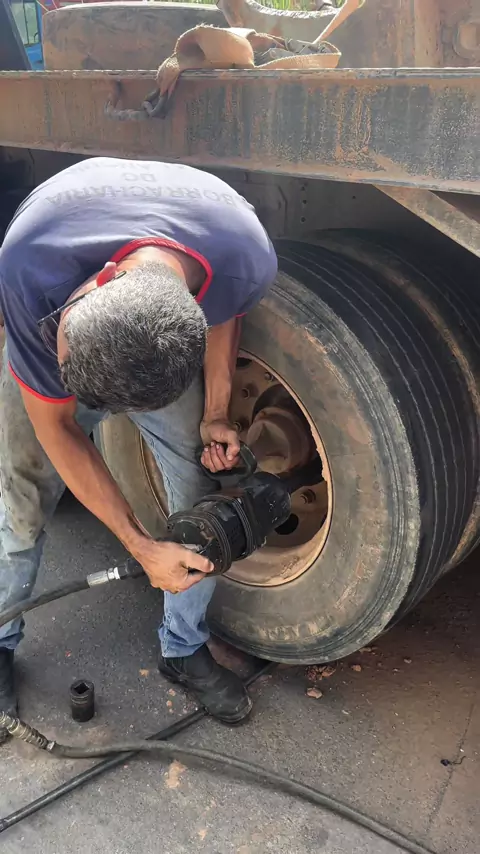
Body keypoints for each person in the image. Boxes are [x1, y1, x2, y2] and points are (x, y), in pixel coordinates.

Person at [0, 157, 277, 738]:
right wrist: (140, 546)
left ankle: (183, 646)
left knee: (200, 488)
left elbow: (224, 311)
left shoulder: (244, 253)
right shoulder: (30, 264)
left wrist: (216, 413)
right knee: (20, 498)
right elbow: (58, 428)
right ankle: (1, 635)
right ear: (100, 278)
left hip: (148, 308)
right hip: (59, 290)